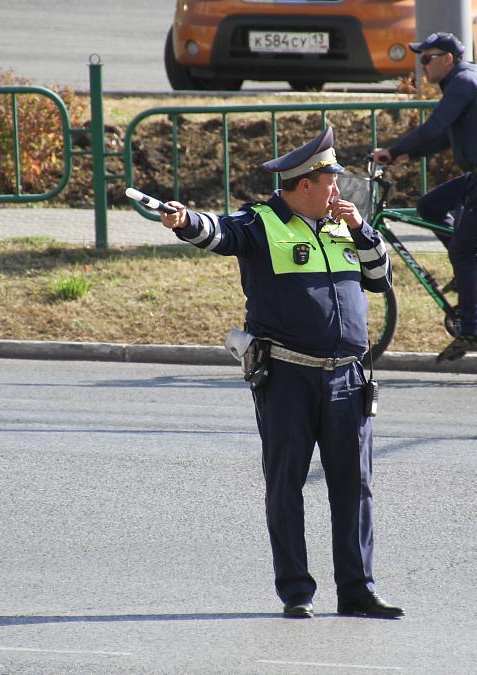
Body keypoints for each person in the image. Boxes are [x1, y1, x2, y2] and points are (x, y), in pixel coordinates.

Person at [159, 127, 403, 620]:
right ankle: (297, 591)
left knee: (354, 488)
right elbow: (218, 232)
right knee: (286, 485)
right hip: (288, 377)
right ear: (305, 184)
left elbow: (380, 280)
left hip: (347, 378)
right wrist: (184, 221)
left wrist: (361, 228)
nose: (338, 189)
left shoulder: (342, 225)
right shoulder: (262, 222)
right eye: (331, 181)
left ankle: (357, 590)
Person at [371, 31, 477, 363]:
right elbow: (444, 138)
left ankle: (471, 331)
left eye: (428, 59)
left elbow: (435, 127)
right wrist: (408, 155)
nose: (423, 66)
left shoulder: (463, 83)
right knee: (429, 206)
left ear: (448, 59)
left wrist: (393, 150)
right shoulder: (464, 81)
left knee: (462, 251)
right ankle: (473, 271)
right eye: (421, 59)